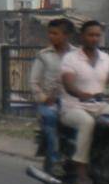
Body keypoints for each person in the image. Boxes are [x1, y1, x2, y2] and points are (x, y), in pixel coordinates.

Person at [59, 20, 109, 184]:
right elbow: (68, 84)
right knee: (88, 123)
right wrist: (80, 94)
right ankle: (81, 171)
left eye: (97, 35)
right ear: (82, 37)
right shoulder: (71, 58)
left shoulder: (105, 59)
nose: (94, 38)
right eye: (90, 35)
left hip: (99, 105)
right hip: (74, 107)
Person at [28, 18, 75, 166]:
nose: (51, 36)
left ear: (66, 35)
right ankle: (55, 160)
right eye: (50, 33)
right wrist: (43, 98)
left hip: (72, 101)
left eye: (55, 33)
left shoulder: (78, 55)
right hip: (50, 102)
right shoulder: (44, 55)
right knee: (50, 118)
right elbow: (33, 82)